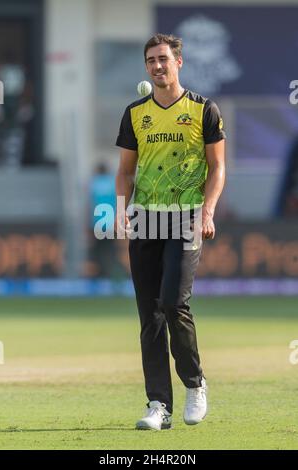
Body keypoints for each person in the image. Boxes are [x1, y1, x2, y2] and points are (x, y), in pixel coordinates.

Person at [115, 33, 226, 431]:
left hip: (186, 217)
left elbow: (218, 168)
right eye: (151, 60)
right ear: (146, 67)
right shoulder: (134, 113)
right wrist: (120, 211)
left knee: (173, 303)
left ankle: (195, 384)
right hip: (146, 218)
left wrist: (208, 211)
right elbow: (126, 171)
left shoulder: (203, 110)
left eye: (163, 58)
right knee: (149, 315)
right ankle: (158, 404)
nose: (157, 66)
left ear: (179, 62)